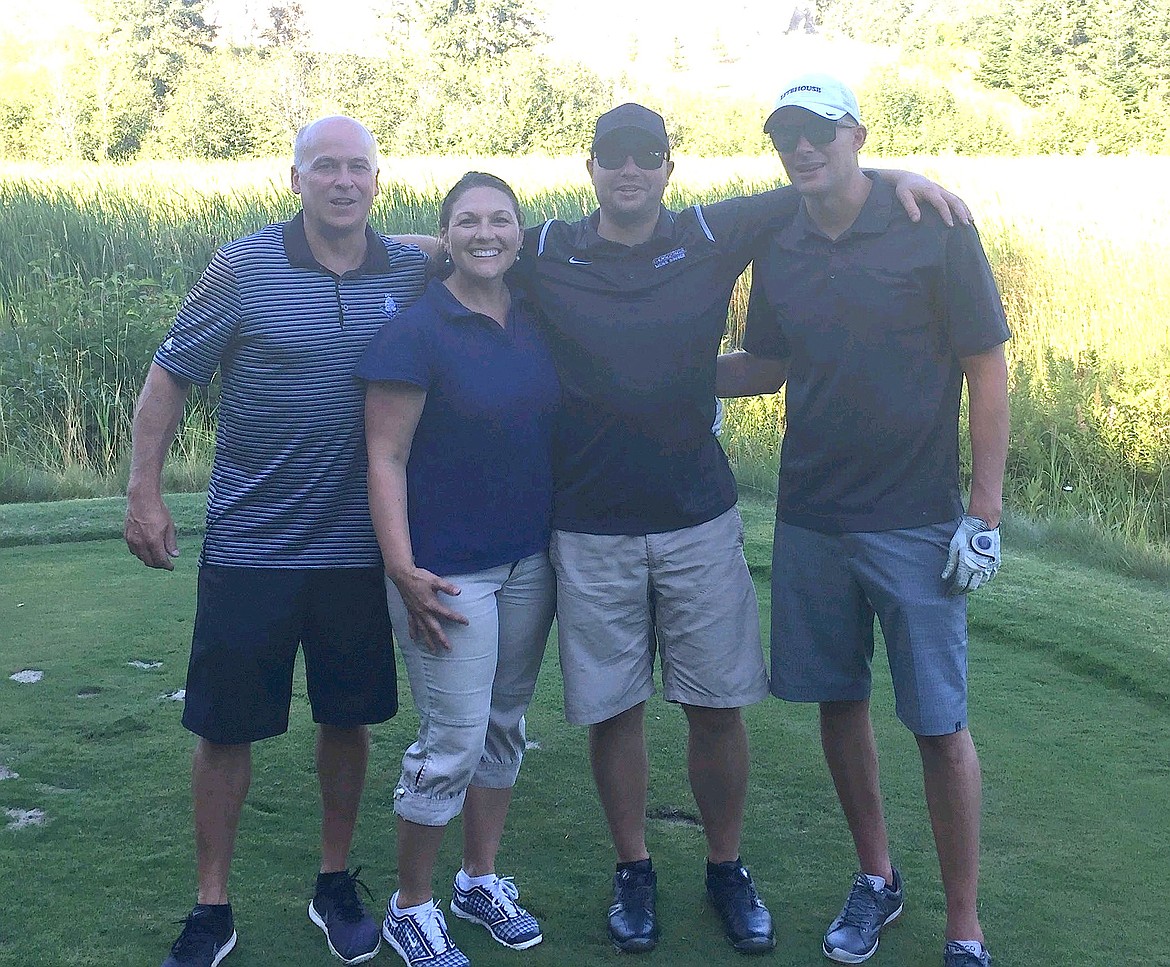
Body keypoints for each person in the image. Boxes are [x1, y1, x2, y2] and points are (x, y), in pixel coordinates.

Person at [505, 102, 973, 955]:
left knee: (717, 705)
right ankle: (634, 868)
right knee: (615, 709)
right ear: (591, 167)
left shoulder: (713, 229)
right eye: (614, 156)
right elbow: (466, 245)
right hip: (589, 525)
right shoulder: (547, 248)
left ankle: (726, 865)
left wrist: (908, 176)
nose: (630, 170)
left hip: (698, 518)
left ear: (669, 168)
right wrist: (369, 241)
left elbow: (826, 180)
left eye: (648, 155)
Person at [716, 74, 1009, 967]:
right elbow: (765, 364)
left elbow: (986, 368)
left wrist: (984, 512)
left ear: (856, 135)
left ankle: (964, 923)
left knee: (938, 723)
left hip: (917, 520)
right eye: (785, 134)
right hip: (811, 516)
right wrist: (659, 369)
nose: (802, 147)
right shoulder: (782, 243)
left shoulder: (935, 229)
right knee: (838, 702)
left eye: (820, 131)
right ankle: (876, 878)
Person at [123, 115, 428, 967]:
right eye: (323, 167)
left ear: (377, 179)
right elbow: (167, 377)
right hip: (251, 547)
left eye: (357, 168)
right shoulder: (245, 265)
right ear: (293, 179)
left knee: (348, 718)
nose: (341, 181)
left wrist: (437, 233)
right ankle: (211, 905)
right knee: (225, 729)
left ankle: (334, 884)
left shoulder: (406, 266)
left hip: (359, 550)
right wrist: (142, 492)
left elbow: (480, 243)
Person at [358, 172, 560, 967]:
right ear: (445, 235)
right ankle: (412, 905)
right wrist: (401, 567)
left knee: (505, 726)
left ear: (519, 231)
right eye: (468, 221)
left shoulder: (536, 315)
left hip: (529, 560)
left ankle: (479, 879)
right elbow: (385, 456)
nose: (487, 233)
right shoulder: (416, 329)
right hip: (444, 571)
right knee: (453, 738)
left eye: (501, 219)